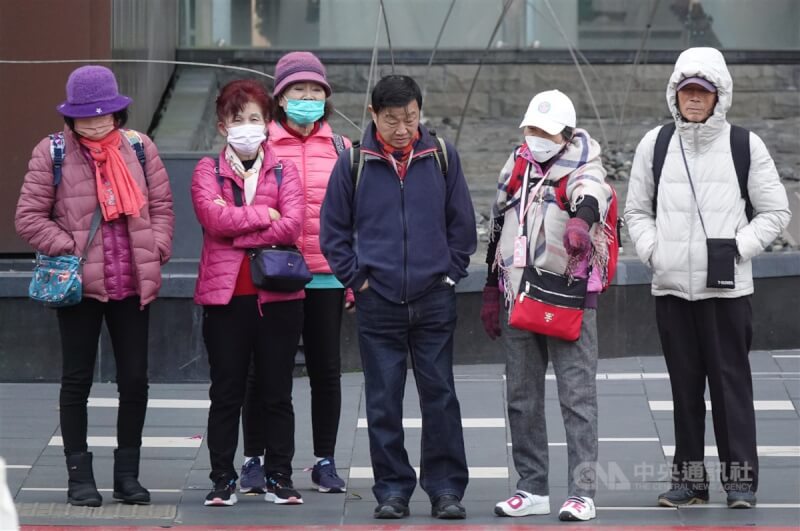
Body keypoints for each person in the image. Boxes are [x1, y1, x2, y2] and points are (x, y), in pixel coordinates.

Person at [625, 47, 791, 509]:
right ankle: (690, 482)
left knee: (730, 387)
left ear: (720, 96)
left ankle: (740, 482)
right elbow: (636, 211)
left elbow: (777, 212)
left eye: (702, 91)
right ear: (674, 94)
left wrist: (737, 247)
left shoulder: (744, 145)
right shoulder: (654, 144)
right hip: (673, 287)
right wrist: (655, 251)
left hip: (727, 290)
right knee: (683, 390)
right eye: (686, 91)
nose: (693, 99)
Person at [15, 65, 175, 507]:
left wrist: (156, 248)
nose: (97, 122)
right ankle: (79, 476)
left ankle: (128, 476)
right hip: (80, 287)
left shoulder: (140, 149)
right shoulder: (53, 153)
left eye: (105, 114)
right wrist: (69, 249)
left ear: (119, 113)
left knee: (135, 381)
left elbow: (162, 207)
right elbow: (28, 217)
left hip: (133, 284)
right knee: (77, 381)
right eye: (87, 116)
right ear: (71, 117)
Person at [320, 75, 476, 520]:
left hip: (433, 297)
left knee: (440, 395)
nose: (403, 128)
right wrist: (358, 280)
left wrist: (451, 274)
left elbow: (461, 223)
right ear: (373, 115)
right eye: (392, 120)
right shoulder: (353, 162)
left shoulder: (441, 156)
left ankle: (446, 489)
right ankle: (392, 489)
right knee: (383, 400)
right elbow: (332, 234)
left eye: (410, 117)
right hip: (378, 300)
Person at [481, 90, 611, 522]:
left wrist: (582, 218)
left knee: (578, 398)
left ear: (566, 135)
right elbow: (499, 222)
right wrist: (488, 287)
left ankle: (582, 492)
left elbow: (591, 192)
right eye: (531, 129)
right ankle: (531, 486)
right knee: (521, 396)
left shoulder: (583, 164)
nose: (536, 138)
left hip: (568, 297)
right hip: (518, 294)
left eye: (546, 132)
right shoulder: (516, 165)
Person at [238, 51, 352, 497]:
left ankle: (324, 460)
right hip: (273, 273)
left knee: (326, 370)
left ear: (325, 97)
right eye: (297, 91)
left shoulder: (342, 148)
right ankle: (255, 458)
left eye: (315, 91)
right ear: (280, 98)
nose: (307, 98)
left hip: (327, 274)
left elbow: (353, 215)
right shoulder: (259, 145)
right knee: (264, 370)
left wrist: (352, 271)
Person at [191, 79, 305, 507]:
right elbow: (211, 218)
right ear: (223, 126)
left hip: (278, 297)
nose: (246, 127)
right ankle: (222, 478)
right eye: (237, 119)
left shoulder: (284, 170)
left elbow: (292, 224)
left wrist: (237, 222)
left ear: (267, 123)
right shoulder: (207, 170)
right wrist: (262, 218)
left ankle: (279, 476)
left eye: (254, 118)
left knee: (277, 392)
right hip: (225, 299)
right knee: (226, 392)